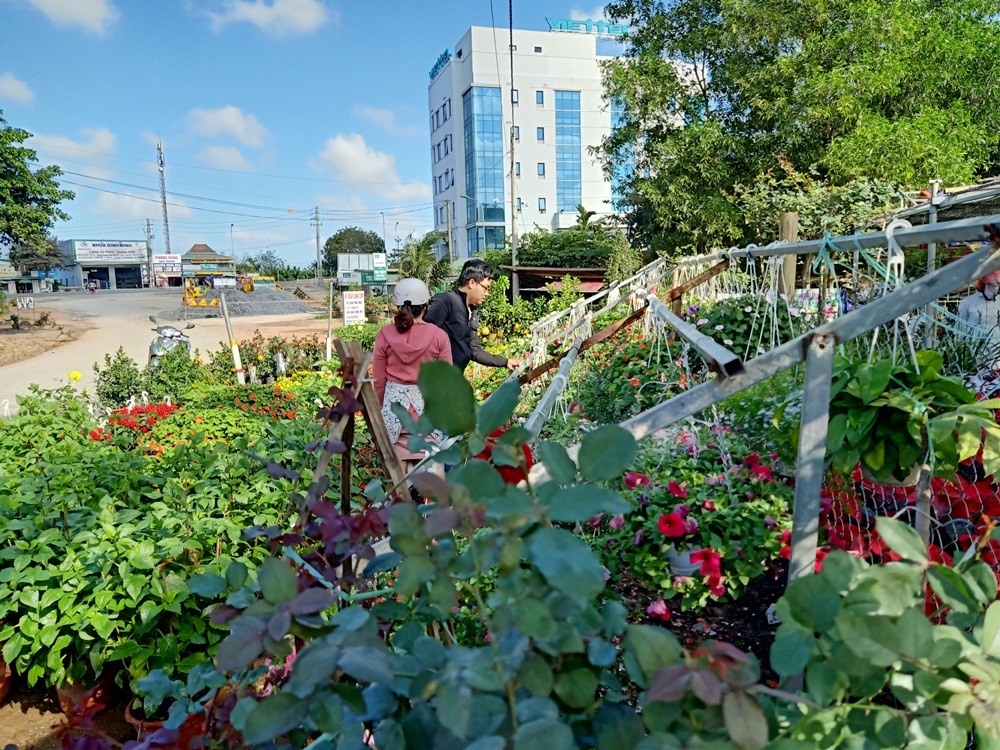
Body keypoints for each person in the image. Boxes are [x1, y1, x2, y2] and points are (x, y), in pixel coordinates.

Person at [373, 278, 452, 469]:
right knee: (433, 470)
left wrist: (380, 409)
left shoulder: (384, 335)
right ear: (426, 305)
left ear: (398, 305)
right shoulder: (438, 336)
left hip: (394, 415)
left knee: (397, 480)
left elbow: (379, 381)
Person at [424, 259, 523, 373]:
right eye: (485, 288)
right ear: (471, 283)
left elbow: (474, 351)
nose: (487, 293)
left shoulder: (472, 310)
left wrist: (506, 362)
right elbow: (422, 337)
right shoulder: (446, 301)